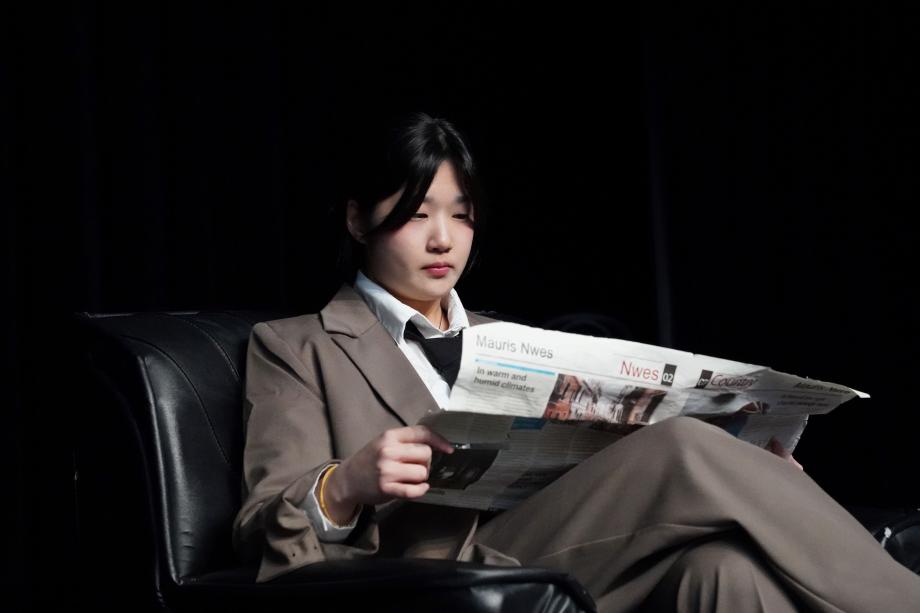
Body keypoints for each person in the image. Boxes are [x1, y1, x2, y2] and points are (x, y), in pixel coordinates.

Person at [232, 112, 920, 611]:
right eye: (416, 214)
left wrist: (754, 470)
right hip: (436, 574)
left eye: (461, 215)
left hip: (576, 544)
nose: (443, 239)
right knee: (683, 448)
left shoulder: (511, 341)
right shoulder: (297, 345)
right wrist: (345, 483)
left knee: (725, 571)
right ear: (358, 219)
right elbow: (260, 526)